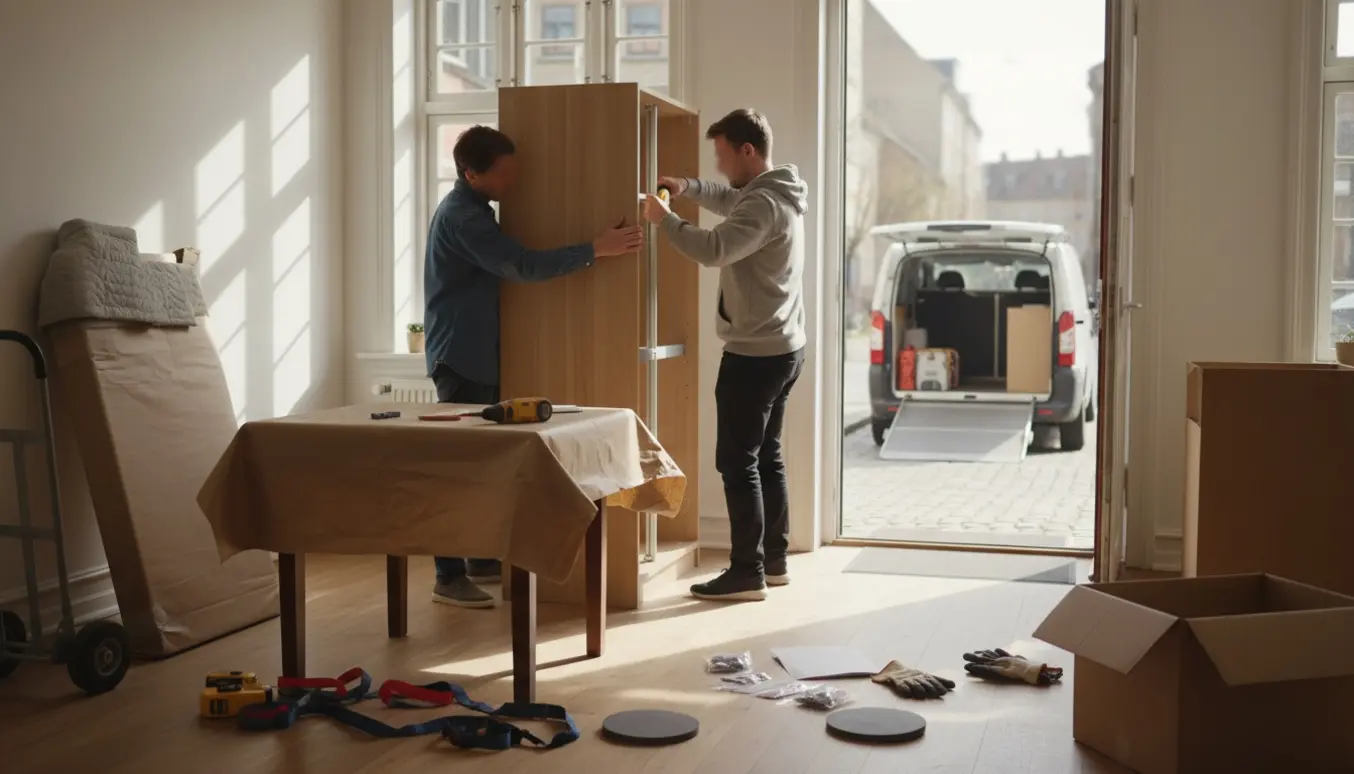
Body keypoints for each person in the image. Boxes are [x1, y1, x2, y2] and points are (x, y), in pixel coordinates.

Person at [424, 125, 644, 608]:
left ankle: (477, 556)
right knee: (461, 467)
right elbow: (520, 266)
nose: (514, 180)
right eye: (504, 173)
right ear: (472, 174)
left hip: (473, 350)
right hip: (462, 354)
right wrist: (595, 250)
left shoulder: (477, 208)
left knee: (483, 463)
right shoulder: (465, 218)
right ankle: (446, 573)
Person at [641, 109, 808, 602]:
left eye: (722, 155)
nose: (718, 166)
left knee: (737, 463)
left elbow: (714, 248)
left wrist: (665, 219)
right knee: (766, 457)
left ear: (747, 151)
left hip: (755, 356)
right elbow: (728, 198)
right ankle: (772, 561)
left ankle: (746, 572)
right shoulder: (774, 193)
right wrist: (685, 186)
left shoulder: (763, 207)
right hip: (784, 347)